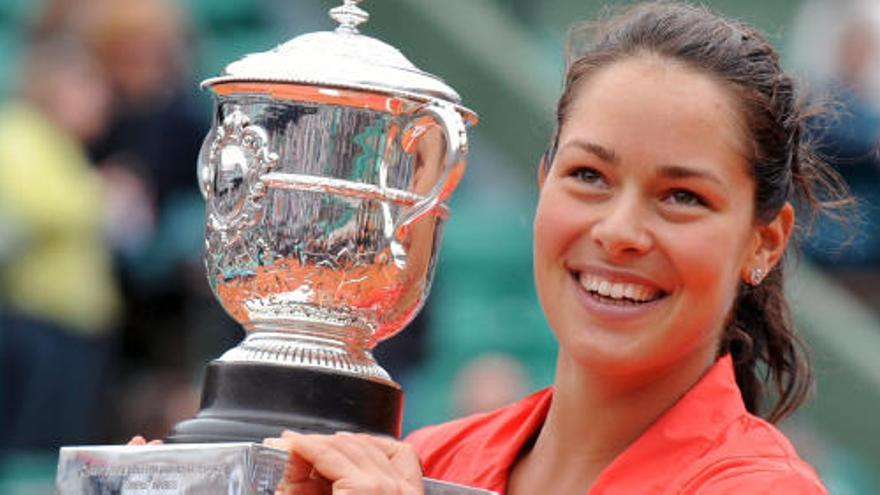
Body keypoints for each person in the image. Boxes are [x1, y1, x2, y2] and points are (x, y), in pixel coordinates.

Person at [139, 3, 847, 493]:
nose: (620, 230)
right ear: (544, 184)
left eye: (682, 196)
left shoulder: (760, 486)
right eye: (589, 177)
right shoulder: (428, 459)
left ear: (764, 241)